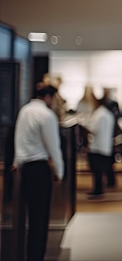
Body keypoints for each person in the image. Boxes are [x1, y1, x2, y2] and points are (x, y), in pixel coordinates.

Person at [12, 84, 65, 261]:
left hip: (25, 168)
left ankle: (29, 255)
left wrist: (17, 161)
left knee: (28, 216)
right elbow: (53, 146)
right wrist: (59, 171)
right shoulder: (46, 115)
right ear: (48, 97)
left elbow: (19, 139)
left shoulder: (24, 111)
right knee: (40, 218)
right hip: (40, 169)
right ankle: (37, 256)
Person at [83, 96, 116, 198]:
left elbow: (93, 128)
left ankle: (98, 190)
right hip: (105, 145)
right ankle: (102, 187)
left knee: (96, 170)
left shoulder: (99, 114)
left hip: (97, 146)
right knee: (103, 169)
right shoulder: (108, 115)